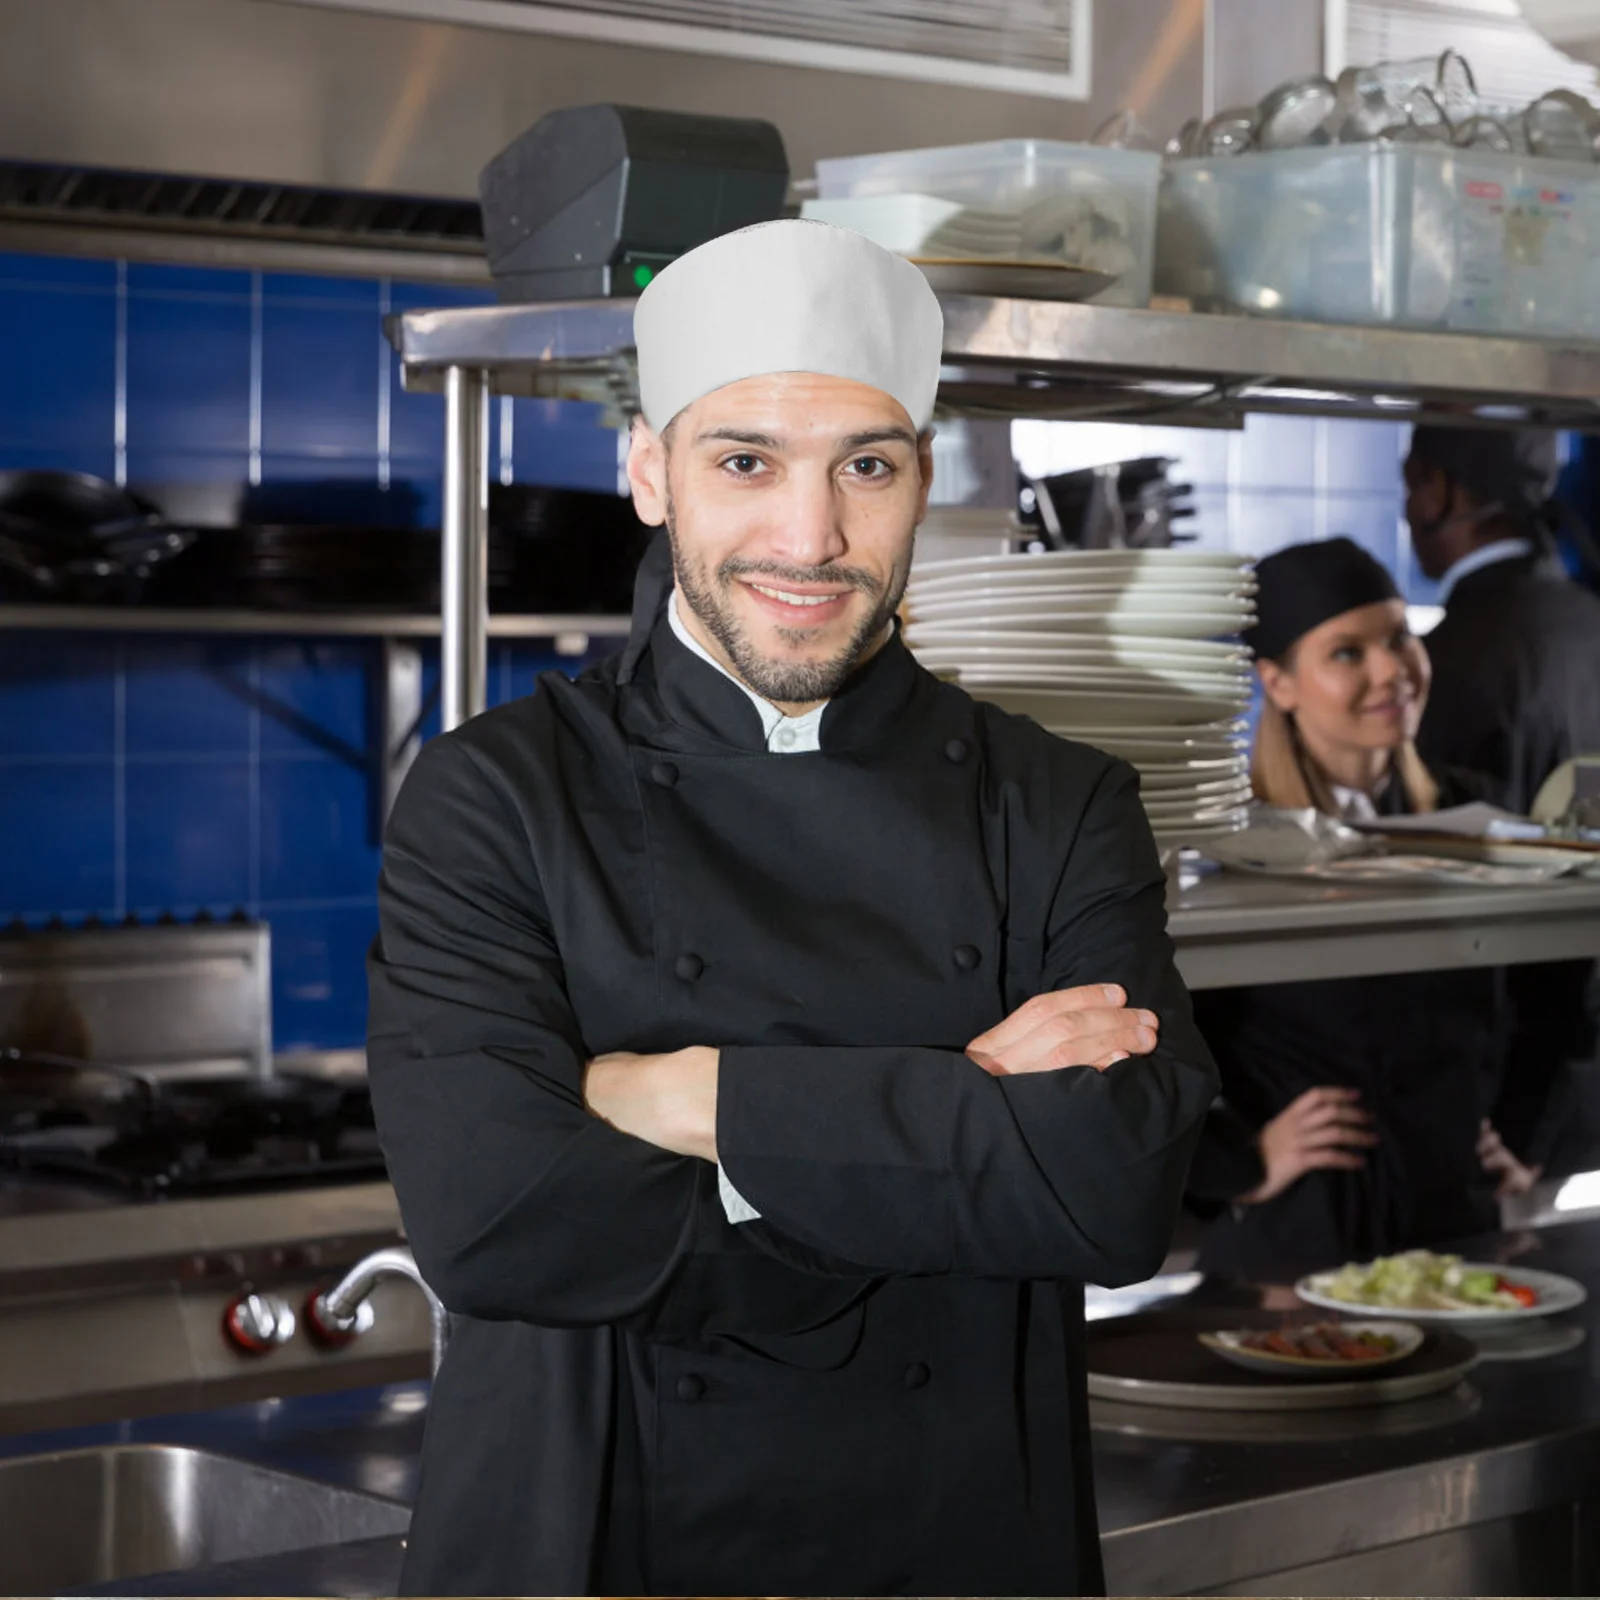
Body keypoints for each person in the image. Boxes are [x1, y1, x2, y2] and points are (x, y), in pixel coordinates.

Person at [366, 219, 1218, 1597]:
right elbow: (497, 1216)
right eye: (745, 461)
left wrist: (689, 1096)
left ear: (922, 480)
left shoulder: (1059, 802)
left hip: (955, 1535)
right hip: (595, 1534)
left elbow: (1111, 1194)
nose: (809, 537)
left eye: (864, 467)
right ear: (648, 471)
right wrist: (959, 1113)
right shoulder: (496, 796)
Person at [1187, 538, 1537, 1281]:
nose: (1391, 671)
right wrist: (1239, 1162)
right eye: (1347, 653)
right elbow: (1154, 1045)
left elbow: (1555, 999)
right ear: (1277, 682)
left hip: (1455, 1221)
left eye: (1400, 638)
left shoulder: (1475, 815)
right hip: (1303, 1233)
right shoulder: (1225, 839)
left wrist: (1527, 1133)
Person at [1405, 425, 1600, 1175]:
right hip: (1579, 1095)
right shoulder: (1588, 621)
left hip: (1498, 1116)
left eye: (1409, 482)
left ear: (1438, 492)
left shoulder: (1445, 663)